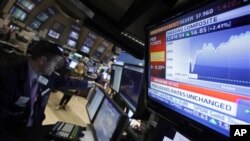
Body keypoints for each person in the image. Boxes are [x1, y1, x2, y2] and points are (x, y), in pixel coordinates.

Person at [0, 40, 100, 141]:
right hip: (13, 132)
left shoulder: (48, 76)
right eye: (55, 62)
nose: (56, 67)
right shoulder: (7, 78)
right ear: (42, 60)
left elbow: (67, 82)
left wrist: (91, 84)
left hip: (34, 128)